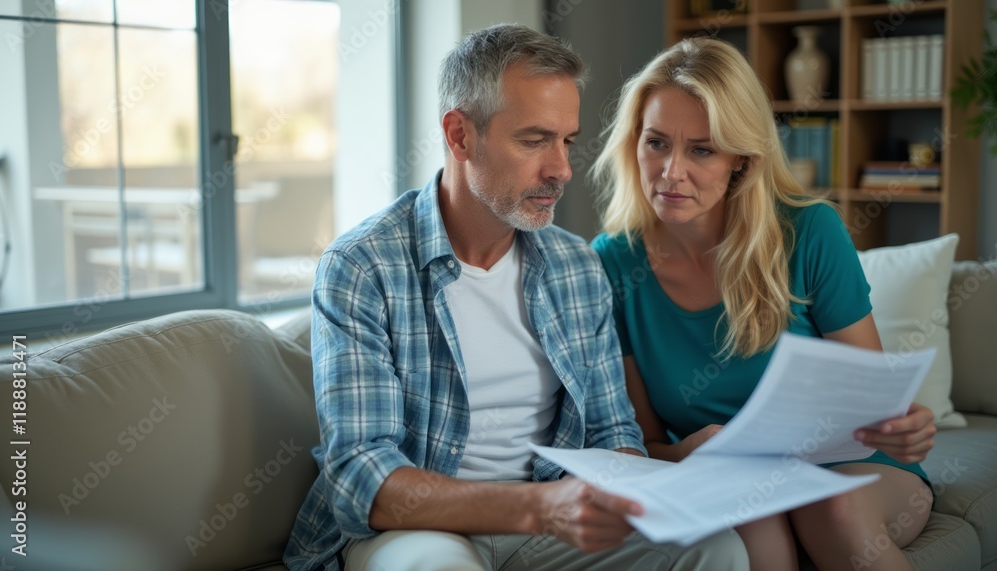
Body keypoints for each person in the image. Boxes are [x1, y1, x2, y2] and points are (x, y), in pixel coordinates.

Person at [283, 25, 749, 571]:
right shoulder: (363, 266)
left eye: (567, 141)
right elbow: (362, 477)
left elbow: (612, 432)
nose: (561, 169)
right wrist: (538, 508)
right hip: (421, 528)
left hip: (549, 521)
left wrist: (637, 490)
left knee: (717, 546)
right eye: (534, 140)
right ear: (459, 136)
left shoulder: (576, 267)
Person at [590, 37, 937, 571]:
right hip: (727, 475)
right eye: (656, 142)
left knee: (832, 508)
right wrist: (685, 453)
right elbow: (644, 443)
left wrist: (906, 427)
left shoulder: (809, 232)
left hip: (848, 471)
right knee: (753, 522)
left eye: (701, 150)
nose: (670, 171)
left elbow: (873, 407)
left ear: (742, 162)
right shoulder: (613, 264)